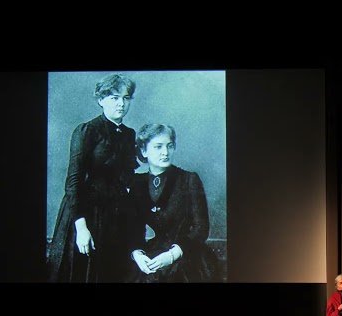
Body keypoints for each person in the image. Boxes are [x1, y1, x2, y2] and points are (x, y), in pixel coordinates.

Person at [47, 73, 139, 283]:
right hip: (86, 212)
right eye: (114, 98)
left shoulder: (128, 134)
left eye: (125, 98)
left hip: (115, 216)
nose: (121, 104)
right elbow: (73, 182)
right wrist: (81, 228)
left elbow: (127, 176)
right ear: (101, 100)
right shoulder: (87, 130)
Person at [128, 123, 221, 283]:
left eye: (170, 146)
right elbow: (134, 230)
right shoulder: (138, 185)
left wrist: (172, 255)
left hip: (187, 253)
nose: (165, 152)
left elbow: (201, 228)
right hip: (154, 251)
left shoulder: (188, 179)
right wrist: (137, 254)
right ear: (144, 151)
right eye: (158, 147)